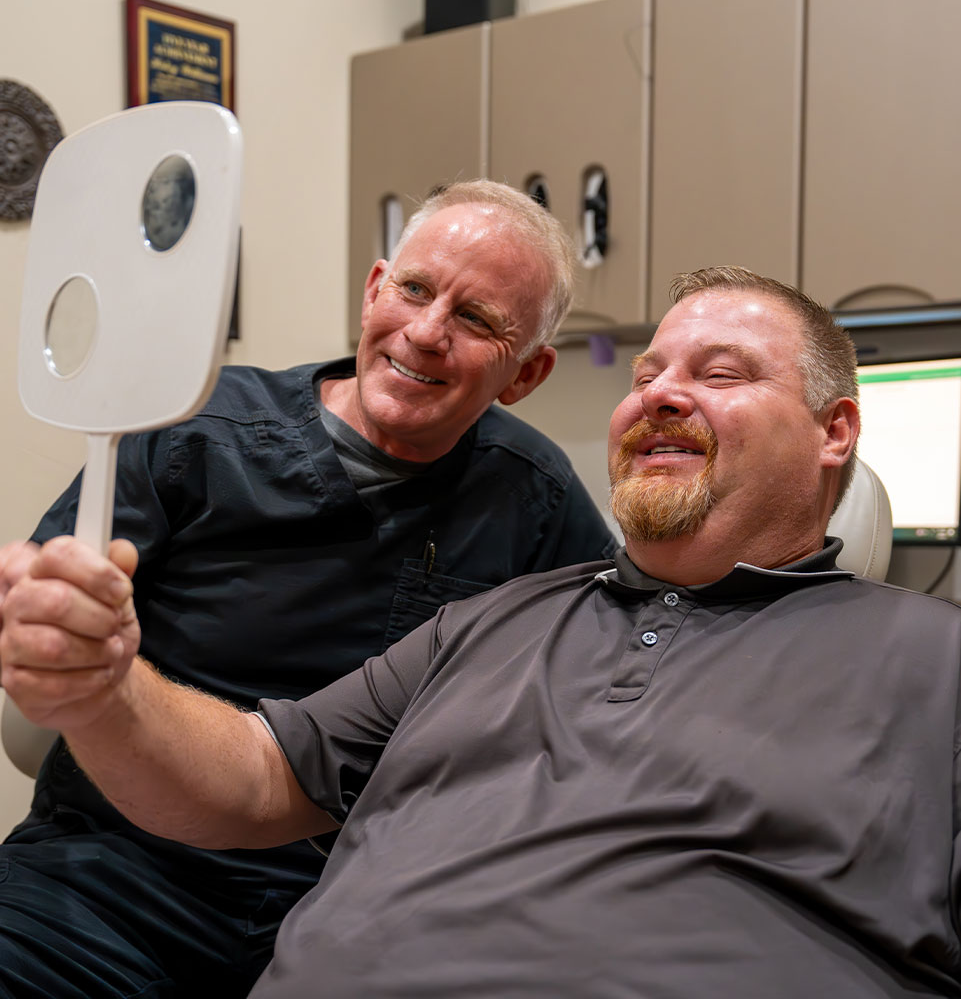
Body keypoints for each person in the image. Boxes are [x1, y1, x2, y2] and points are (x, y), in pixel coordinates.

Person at [5, 266, 960, 998]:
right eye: (646, 374)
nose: (659, 395)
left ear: (834, 431)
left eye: (718, 373)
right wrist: (108, 686)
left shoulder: (932, 661)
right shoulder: (491, 619)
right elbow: (257, 779)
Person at [0, 179, 616, 999]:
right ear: (373, 291)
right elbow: (42, 618)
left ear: (526, 373)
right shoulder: (195, 433)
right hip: (110, 875)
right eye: (415, 289)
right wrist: (52, 630)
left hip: (356, 909)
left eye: (475, 320)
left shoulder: (536, 499)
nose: (426, 332)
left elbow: (615, 684)